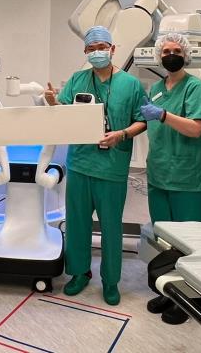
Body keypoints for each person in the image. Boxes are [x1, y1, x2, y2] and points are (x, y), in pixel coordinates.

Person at [44, 26, 147, 306]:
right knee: (77, 224)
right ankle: (79, 273)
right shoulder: (78, 79)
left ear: (112, 49)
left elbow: (142, 120)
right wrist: (53, 102)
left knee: (111, 227)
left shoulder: (130, 84)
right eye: (91, 49)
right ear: (85, 52)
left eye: (102, 47)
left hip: (112, 167)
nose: (97, 52)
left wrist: (121, 134)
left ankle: (111, 281)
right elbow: (64, 114)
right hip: (80, 163)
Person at [141, 33, 201, 324]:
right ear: (159, 57)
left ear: (186, 55)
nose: (171, 55)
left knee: (190, 243)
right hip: (159, 174)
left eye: (176, 50)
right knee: (167, 241)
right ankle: (170, 292)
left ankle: (191, 298)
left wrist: (162, 115)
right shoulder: (157, 88)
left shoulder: (196, 87)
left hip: (188, 176)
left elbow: (196, 129)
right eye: (166, 51)